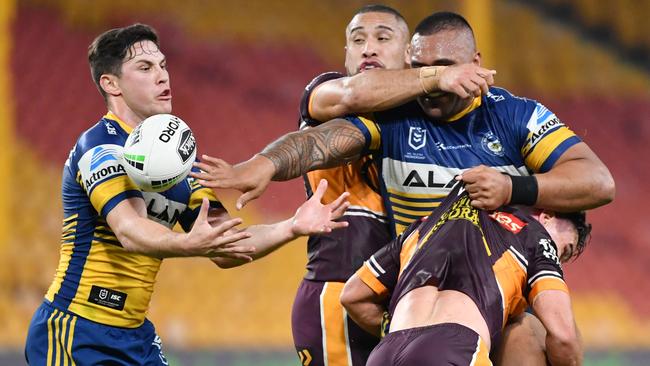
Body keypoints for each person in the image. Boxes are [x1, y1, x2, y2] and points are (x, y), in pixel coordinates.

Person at [193, 10, 613, 365]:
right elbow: (322, 140)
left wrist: (510, 187)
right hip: (412, 289)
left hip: (488, 293)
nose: (435, 82)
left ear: (474, 63)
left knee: (532, 332)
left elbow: (598, 182)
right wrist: (265, 164)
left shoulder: (515, 116)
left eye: (446, 67)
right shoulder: (395, 115)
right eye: (419, 70)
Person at [23, 23, 350, 365]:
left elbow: (227, 246)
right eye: (145, 68)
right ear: (111, 84)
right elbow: (129, 231)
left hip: (135, 338)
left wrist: (292, 226)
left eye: (163, 65)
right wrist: (188, 244)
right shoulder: (100, 147)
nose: (163, 76)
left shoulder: (177, 162)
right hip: (76, 331)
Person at [290, 5, 497, 365]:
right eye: (357, 40)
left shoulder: (419, 118)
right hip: (338, 290)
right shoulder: (329, 93)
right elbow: (354, 93)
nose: (368, 48)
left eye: (382, 38)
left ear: (409, 55)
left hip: (396, 295)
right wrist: (437, 77)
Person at [340, 181, 589, 366]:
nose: (559, 259)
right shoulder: (536, 236)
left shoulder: (423, 225)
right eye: (564, 250)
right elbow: (564, 337)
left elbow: (352, 295)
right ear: (547, 216)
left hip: (386, 353)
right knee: (530, 328)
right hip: (455, 350)